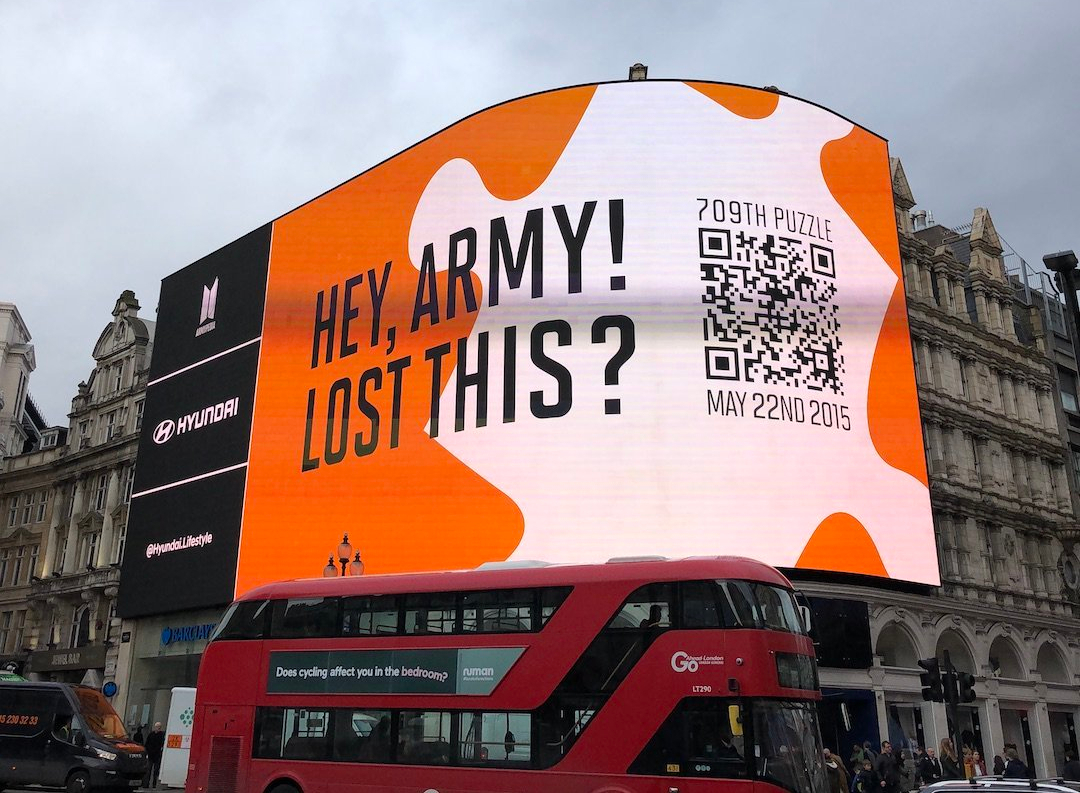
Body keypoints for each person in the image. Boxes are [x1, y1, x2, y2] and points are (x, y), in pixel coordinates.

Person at [144, 721, 165, 788]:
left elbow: (162, 744)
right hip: (151, 755)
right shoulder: (151, 734)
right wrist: (148, 751)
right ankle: (147, 784)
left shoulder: (161, 735)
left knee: (155, 770)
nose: (158, 728)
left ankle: (154, 784)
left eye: (159, 727)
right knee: (148, 770)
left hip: (157, 755)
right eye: (157, 727)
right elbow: (147, 744)